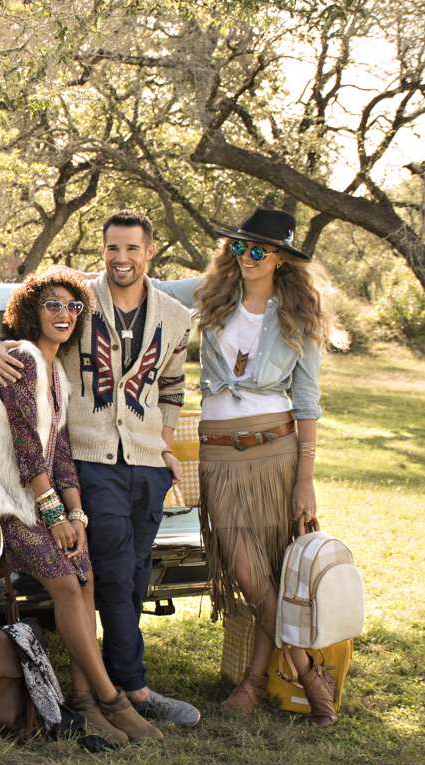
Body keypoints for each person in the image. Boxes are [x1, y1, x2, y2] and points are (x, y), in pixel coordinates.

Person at [0, 210, 200, 727]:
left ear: (150, 251)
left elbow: (173, 385)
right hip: (91, 460)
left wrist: (165, 444)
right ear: (101, 251)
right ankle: (131, 689)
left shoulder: (175, 316)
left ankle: (101, 689)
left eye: (132, 249)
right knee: (115, 571)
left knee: (135, 574)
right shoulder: (81, 301)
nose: (121, 259)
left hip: (146, 462)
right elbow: (25, 329)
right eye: (112, 249)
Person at [151, 207, 347, 726]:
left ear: (280, 257)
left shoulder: (300, 313)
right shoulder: (211, 291)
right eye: (240, 246)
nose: (247, 257)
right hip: (219, 454)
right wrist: (77, 279)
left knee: (272, 570)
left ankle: (255, 681)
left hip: (276, 452)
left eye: (259, 250)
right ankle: (307, 670)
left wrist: (305, 479)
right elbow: (147, 286)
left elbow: (307, 402)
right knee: (246, 570)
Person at [0, 268, 162, 743]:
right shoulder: (21, 357)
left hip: (41, 500)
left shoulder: (56, 370)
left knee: (86, 576)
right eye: (52, 304)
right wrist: (55, 515)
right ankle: (112, 700)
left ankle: (83, 699)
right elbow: (26, 444)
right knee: (66, 584)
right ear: (31, 311)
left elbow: (58, 451)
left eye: (73, 306)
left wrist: (75, 514)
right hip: (8, 504)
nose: (64, 313)